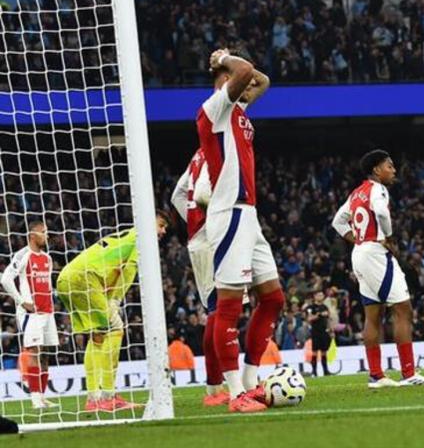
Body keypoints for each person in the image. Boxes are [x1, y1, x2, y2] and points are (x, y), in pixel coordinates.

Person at [197, 48, 284, 412]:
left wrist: (238, 70)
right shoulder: (214, 109)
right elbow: (248, 71)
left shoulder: (238, 111)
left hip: (249, 216)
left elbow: (262, 79)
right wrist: (225, 58)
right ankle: (234, 394)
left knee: (273, 298)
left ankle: (250, 378)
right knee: (229, 306)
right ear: (227, 81)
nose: (251, 87)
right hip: (228, 213)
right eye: (241, 84)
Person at [332, 149, 424, 388]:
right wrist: (389, 238)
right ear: (376, 170)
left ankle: (376, 376)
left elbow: (338, 221)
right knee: (403, 310)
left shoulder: (356, 193)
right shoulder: (377, 189)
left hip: (359, 253)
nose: (393, 170)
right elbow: (381, 212)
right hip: (376, 254)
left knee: (373, 314)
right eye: (389, 166)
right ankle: (409, 373)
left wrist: (356, 239)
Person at [56, 212, 169, 411]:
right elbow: (129, 269)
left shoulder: (124, 236)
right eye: (161, 225)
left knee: (97, 335)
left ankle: (93, 399)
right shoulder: (140, 237)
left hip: (66, 277)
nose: (164, 231)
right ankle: (108, 396)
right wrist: (116, 299)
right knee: (115, 329)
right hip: (86, 277)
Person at [171, 148, 228, 407]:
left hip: (198, 238)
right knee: (222, 309)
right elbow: (204, 193)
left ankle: (216, 384)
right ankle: (216, 387)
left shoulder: (197, 154)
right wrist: (208, 221)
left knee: (216, 309)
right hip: (211, 237)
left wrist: (193, 221)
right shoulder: (217, 148)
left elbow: (177, 196)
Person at [1, 220, 59, 409]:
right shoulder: (23, 255)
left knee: (46, 354)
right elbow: (5, 278)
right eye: (44, 232)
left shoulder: (48, 259)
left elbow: (47, 285)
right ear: (32, 235)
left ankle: (42, 395)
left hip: (47, 312)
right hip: (30, 313)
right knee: (33, 352)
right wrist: (21, 301)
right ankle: (34, 398)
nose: (47, 235)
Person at [305, 291, 331, 377]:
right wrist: (318, 315)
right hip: (315, 332)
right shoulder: (311, 308)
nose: (321, 296)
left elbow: (328, 318)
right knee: (314, 352)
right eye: (319, 295)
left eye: (322, 295)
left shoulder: (325, 307)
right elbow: (309, 319)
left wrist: (330, 329)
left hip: (324, 331)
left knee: (324, 352)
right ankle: (314, 372)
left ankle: (326, 371)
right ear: (315, 296)